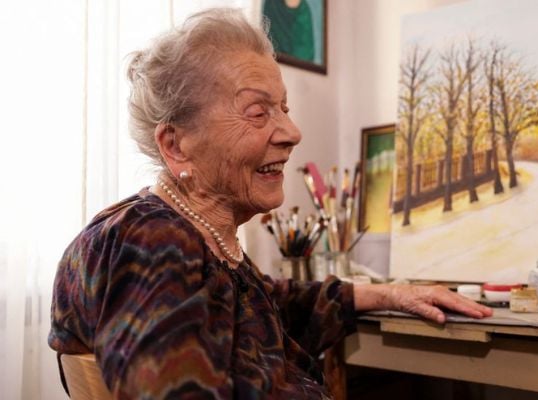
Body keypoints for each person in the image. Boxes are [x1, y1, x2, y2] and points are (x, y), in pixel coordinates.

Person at [48, 8, 492, 399]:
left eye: (284, 108)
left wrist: (391, 294)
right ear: (176, 144)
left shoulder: (196, 244)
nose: (291, 132)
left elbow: (274, 304)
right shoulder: (152, 242)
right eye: (259, 113)